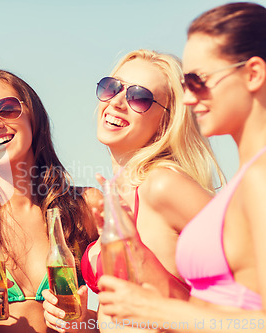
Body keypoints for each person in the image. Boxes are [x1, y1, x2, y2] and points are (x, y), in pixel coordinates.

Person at [97, 3, 266, 332]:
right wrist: (137, 254)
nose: (187, 99)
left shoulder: (260, 176)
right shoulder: (245, 180)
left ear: (253, 74)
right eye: (186, 84)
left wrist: (156, 310)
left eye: (198, 81)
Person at [52, 49, 223, 332]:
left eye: (139, 97)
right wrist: (85, 322)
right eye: (112, 88)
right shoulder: (118, 191)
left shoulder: (163, 184)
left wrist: (142, 261)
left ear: (166, 122)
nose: (118, 102)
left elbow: (245, 298)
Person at [0, 69, 101, 332]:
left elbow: (129, 317)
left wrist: (85, 322)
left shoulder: (85, 206)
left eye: (6, 108)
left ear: (33, 114)